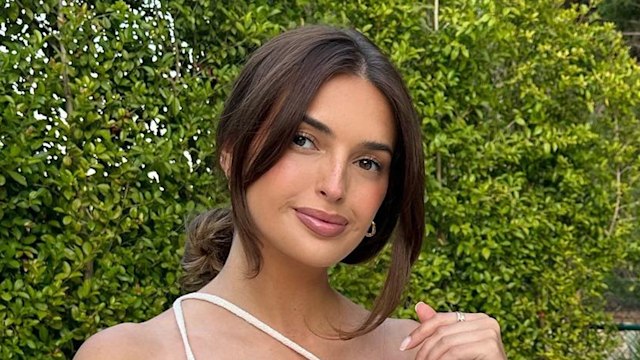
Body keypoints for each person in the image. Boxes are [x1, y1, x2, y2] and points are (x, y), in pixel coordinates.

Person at [75, 25, 506, 359]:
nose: (335, 186)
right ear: (232, 151)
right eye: (302, 140)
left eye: (368, 163)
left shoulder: (419, 351)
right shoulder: (133, 353)